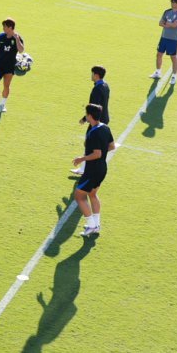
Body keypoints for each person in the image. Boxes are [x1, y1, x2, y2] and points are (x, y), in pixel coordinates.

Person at [72, 105, 115, 236]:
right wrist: (100, 151)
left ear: (90, 116)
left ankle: (91, 225)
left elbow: (97, 154)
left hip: (93, 170)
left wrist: (82, 158)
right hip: (102, 168)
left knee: (79, 196)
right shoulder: (105, 128)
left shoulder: (94, 132)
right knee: (92, 194)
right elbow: (112, 146)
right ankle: (96, 225)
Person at [70, 68, 112, 177]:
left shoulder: (97, 89)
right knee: (93, 144)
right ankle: (86, 168)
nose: (91, 75)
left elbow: (94, 107)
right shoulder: (106, 85)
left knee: (90, 144)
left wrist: (85, 119)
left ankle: (84, 169)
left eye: (92, 74)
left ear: (96, 75)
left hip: (97, 120)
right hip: (104, 118)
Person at [0, 19, 24, 114]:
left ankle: (2, 105)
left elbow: (21, 50)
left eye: (4, 26)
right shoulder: (0, 36)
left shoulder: (17, 38)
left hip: (9, 66)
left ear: (10, 27)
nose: (3, 28)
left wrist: (17, 39)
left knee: (6, 86)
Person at [152, 0, 177, 83]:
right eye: (171, 2)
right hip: (163, 37)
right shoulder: (167, 11)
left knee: (173, 58)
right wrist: (169, 23)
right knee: (159, 54)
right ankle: (158, 72)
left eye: (174, 2)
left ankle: (174, 76)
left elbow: (175, 25)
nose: (172, 3)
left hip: (172, 39)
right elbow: (160, 23)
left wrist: (167, 23)